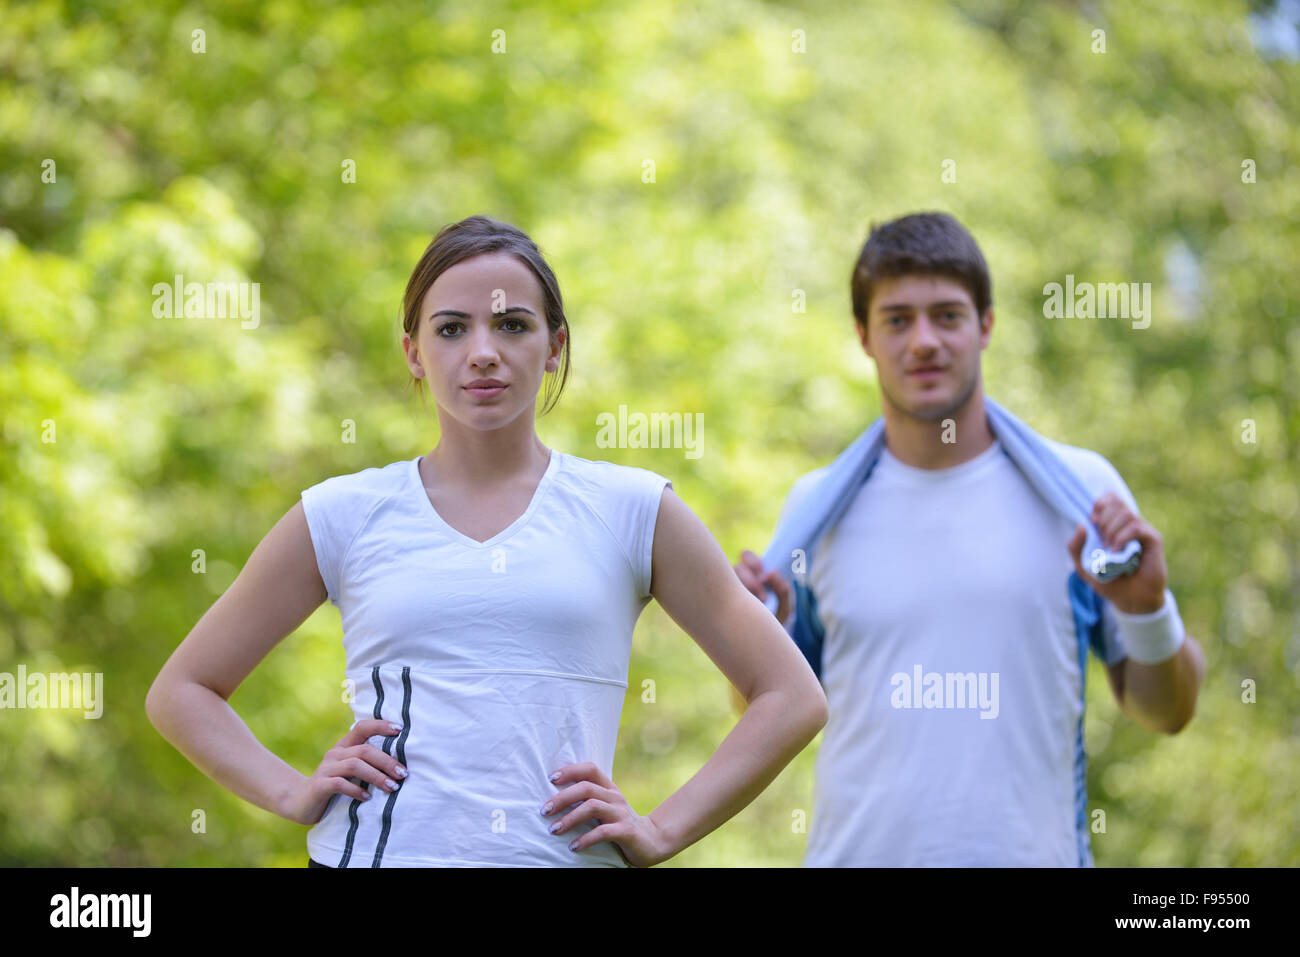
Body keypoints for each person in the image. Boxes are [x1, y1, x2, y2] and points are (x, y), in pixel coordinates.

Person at [146, 215, 827, 867]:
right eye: (451, 328)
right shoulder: (343, 512)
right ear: (413, 352)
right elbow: (183, 689)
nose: (482, 352)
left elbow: (791, 697)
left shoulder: (634, 508)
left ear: (554, 344)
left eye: (512, 324)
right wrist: (292, 792)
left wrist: (662, 828)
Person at [732, 211, 1205, 867]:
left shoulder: (1081, 495)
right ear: (864, 335)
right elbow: (762, 707)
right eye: (898, 319)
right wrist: (753, 630)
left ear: (985, 325)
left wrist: (1148, 608)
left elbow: (1167, 710)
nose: (923, 340)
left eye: (947, 315)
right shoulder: (815, 511)